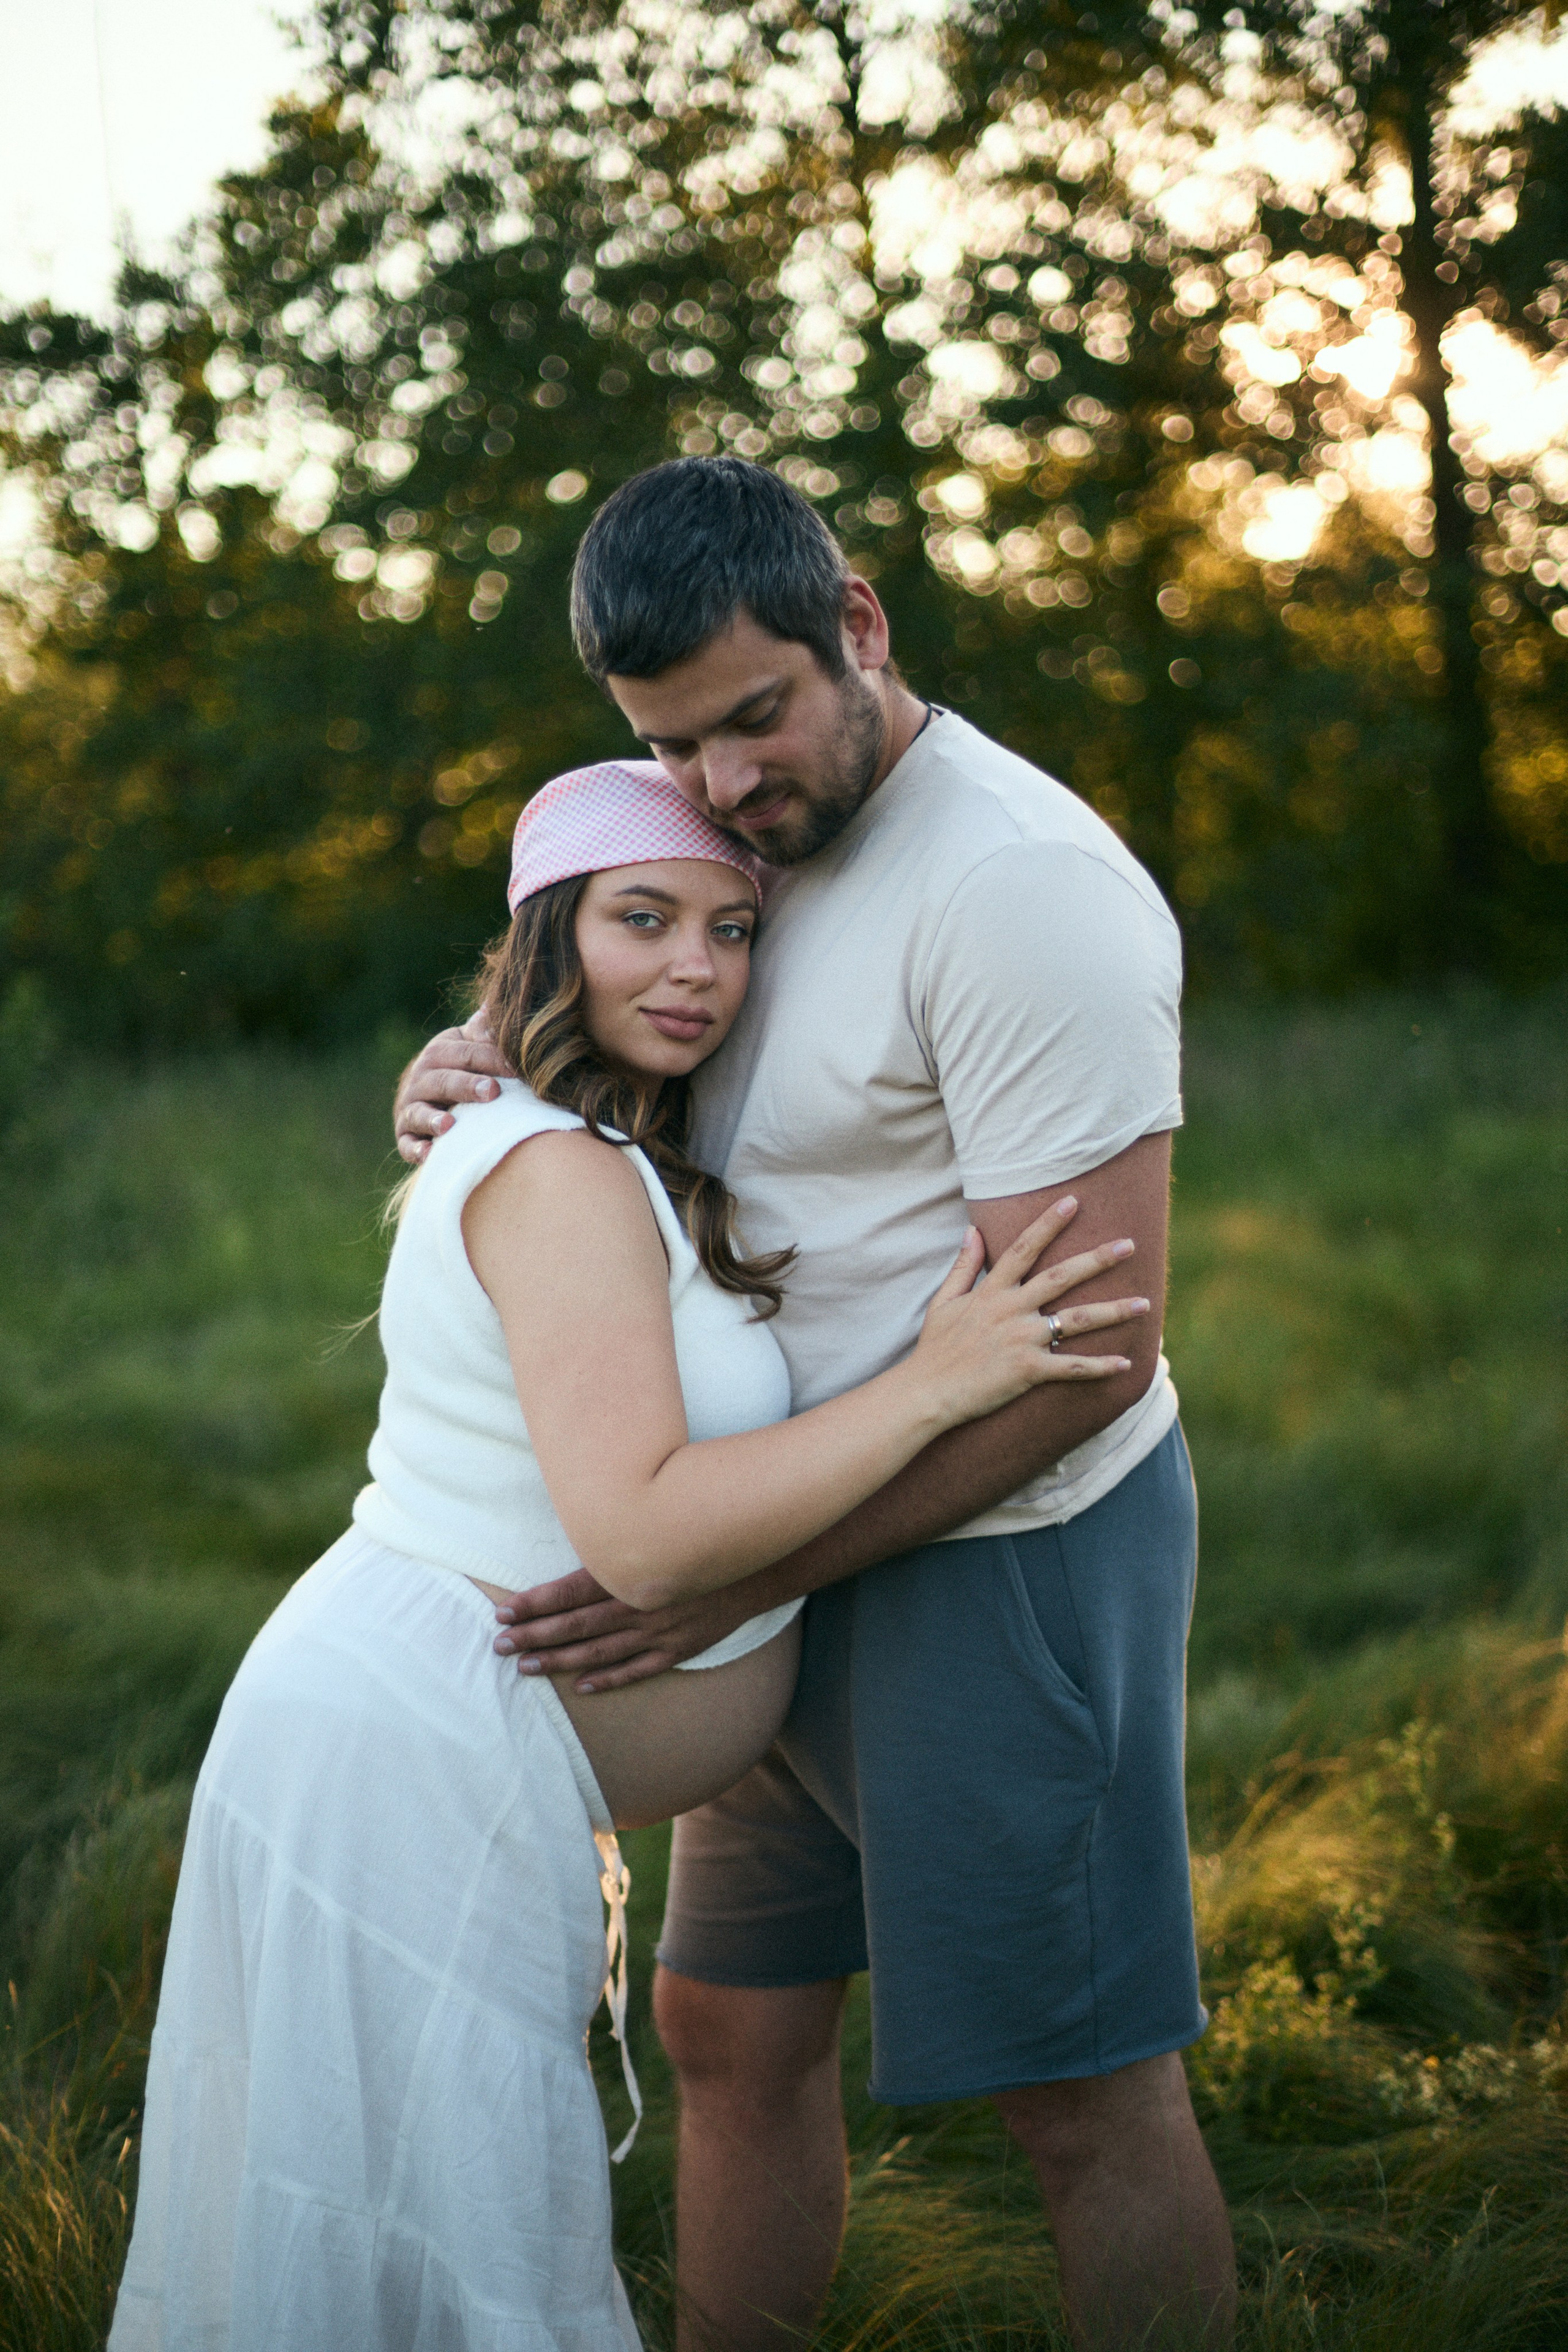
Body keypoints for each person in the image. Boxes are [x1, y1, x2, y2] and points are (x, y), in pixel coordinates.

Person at [109, 762, 1144, 2352]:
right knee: (435, 2230)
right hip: (408, 1767)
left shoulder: (604, 1143)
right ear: (548, 939)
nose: (696, 969)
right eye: (642, 920)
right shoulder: (558, 1172)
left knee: (403, 2221)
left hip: (434, 1751)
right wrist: (937, 1384)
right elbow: (647, 1537)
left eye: (732, 930)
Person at [397, 456, 1238, 2352]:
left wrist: (727, 1576)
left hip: (1001, 1550)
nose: (719, 783)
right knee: (726, 2027)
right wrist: (467, 1064)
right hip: (770, 1525)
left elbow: (1091, 1352)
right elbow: (618, 990)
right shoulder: (744, 843)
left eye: (753, 718)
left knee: (1078, 2093)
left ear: (859, 625)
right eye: (669, 743)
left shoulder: (1019, 891)